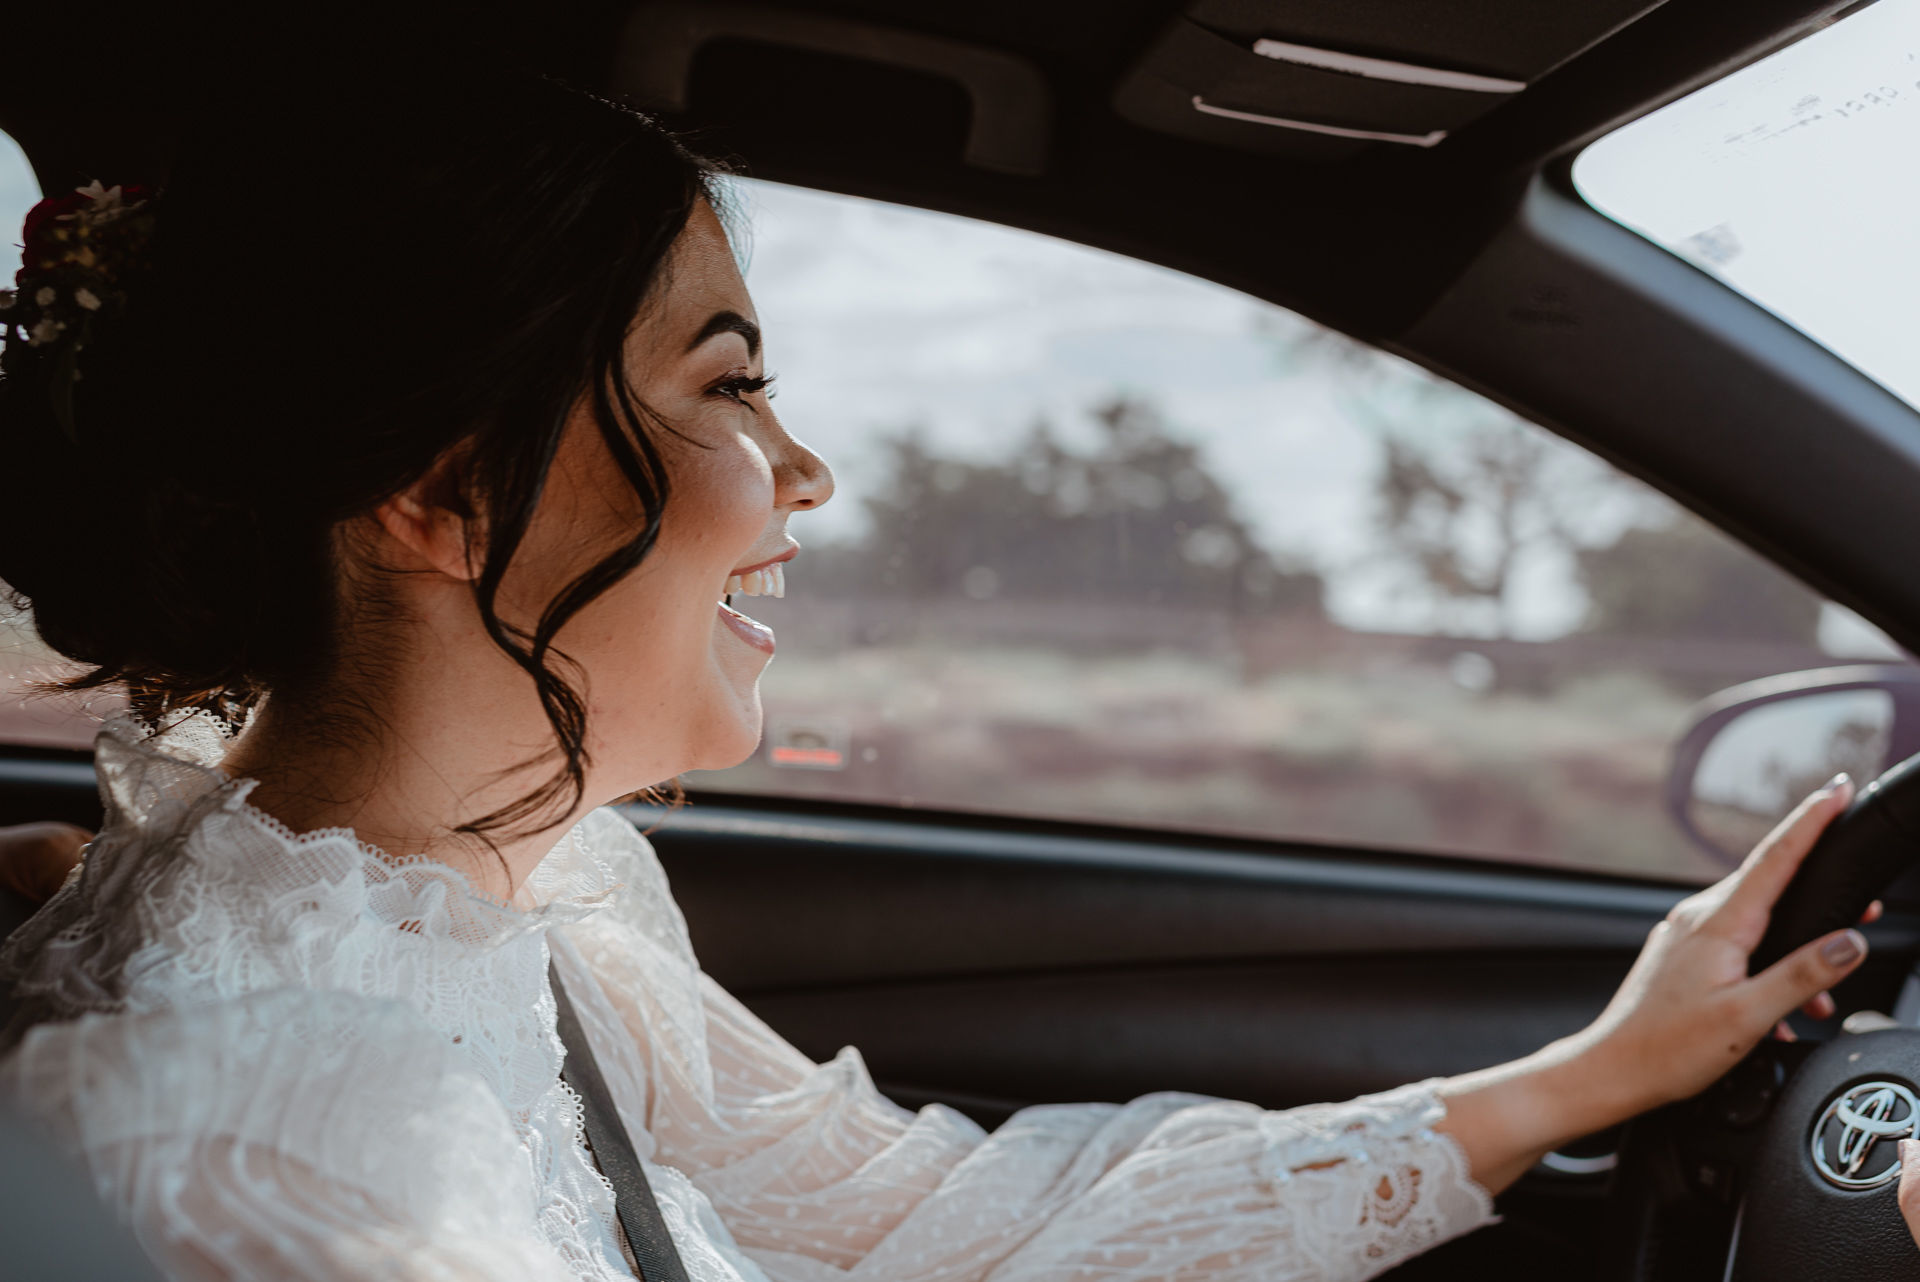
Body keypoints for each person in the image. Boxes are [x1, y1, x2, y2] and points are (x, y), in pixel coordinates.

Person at [0, 67, 1899, 1282]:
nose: (807, 470)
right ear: (446, 491)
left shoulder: (523, 892)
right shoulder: (262, 1168)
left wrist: (1590, 1072)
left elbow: (945, 1235)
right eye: (730, 385)